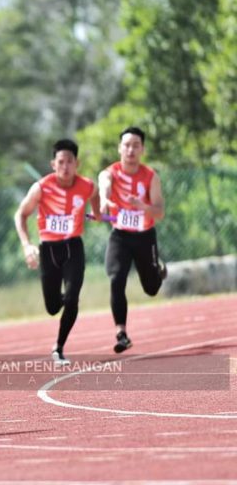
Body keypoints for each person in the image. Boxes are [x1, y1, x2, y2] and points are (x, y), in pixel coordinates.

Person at [13, 139, 100, 363]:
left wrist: (97, 213)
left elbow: (95, 195)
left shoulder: (87, 185)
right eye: (61, 162)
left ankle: (59, 347)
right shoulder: (41, 188)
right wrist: (26, 245)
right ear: (53, 164)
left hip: (73, 247)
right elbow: (20, 214)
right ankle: (66, 299)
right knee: (52, 307)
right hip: (49, 250)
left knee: (71, 299)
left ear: (77, 163)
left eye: (70, 161)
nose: (65, 167)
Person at [99, 126, 166, 353]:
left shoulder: (150, 177)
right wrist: (104, 200)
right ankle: (122, 333)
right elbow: (104, 183)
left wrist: (142, 206)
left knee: (151, 289)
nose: (130, 150)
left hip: (145, 236)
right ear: (119, 148)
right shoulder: (110, 173)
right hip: (120, 236)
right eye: (126, 145)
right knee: (116, 278)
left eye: (136, 146)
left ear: (142, 150)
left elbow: (159, 212)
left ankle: (158, 272)